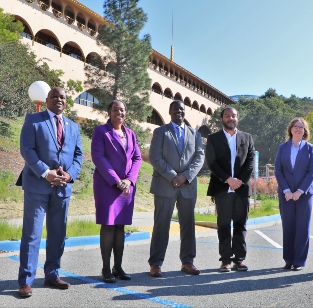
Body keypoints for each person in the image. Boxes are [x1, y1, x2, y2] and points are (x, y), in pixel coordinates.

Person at [17, 87, 83, 298]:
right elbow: (27, 149)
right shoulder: (33, 120)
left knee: (58, 234)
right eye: (54, 96)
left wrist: (69, 175)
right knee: (32, 235)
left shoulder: (73, 127)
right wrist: (46, 173)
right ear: (47, 100)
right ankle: (26, 281)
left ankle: (52, 275)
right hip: (37, 186)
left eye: (62, 97)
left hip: (63, 188)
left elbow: (79, 156)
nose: (58, 99)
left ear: (66, 101)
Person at [148, 100, 204, 277]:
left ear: (184, 112)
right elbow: (155, 157)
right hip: (165, 184)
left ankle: (188, 262)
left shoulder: (194, 133)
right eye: (175, 109)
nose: (178, 111)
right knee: (161, 225)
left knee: (188, 225)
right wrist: (173, 176)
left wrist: (185, 176)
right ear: (170, 111)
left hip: (188, 187)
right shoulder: (160, 132)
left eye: (181, 109)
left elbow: (199, 157)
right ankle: (156, 263)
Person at [91, 100, 142, 283]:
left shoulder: (131, 134)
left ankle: (118, 267)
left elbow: (137, 158)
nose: (118, 112)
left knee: (120, 226)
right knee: (108, 225)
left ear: (125, 113)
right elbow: (98, 157)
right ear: (109, 112)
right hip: (107, 185)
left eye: (121, 110)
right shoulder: (101, 131)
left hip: (126, 188)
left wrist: (129, 180)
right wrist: (116, 181)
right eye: (114, 110)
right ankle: (106, 268)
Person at [206, 107, 254, 272]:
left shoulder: (247, 138)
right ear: (222, 119)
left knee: (241, 225)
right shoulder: (213, 138)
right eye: (227, 116)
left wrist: (239, 182)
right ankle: (225, 260)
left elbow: (250, 162)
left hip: (241, 189)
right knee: (224, 225)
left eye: (233, 115)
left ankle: (239, 259)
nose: (230, 118)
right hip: (222, 189)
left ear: (237, 118)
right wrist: (228, 180)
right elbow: (212, 163)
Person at [274, 118, 313, 271]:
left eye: (301, 127)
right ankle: (288, 259)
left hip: (304, 195)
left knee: (302, 228)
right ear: (290, 129)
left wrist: (300, 191)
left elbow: (312, 171)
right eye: (295, 126)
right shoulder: (282, 147)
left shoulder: (310, 148)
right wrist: (286, 190)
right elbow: (278, 170)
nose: (298, 129)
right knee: (288, 226)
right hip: (286, 195)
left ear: (305, 131)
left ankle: (299, 261)